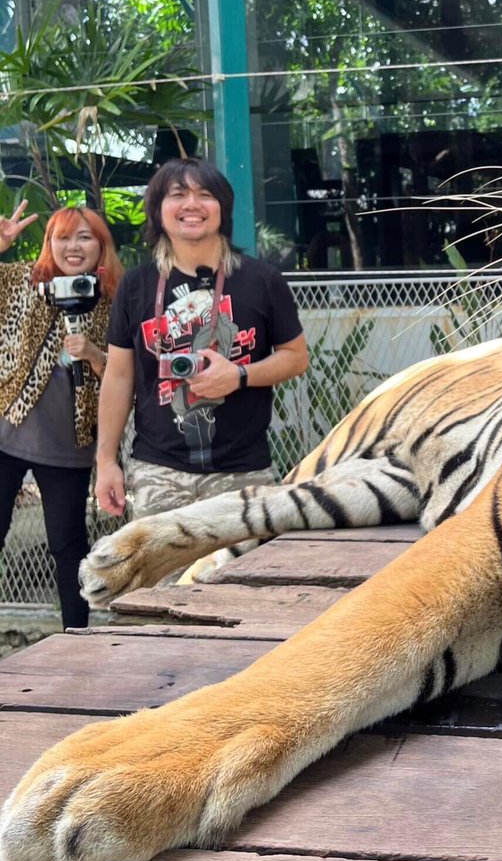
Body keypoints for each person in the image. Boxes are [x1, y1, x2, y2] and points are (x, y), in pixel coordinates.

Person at [95, 158, 308, 523]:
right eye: (178, 195)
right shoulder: (137, 284)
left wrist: (239, 375)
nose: (192, 204)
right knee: (162, 581)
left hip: (243, 471)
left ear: (222, 209)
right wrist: (105, 462)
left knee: (240, 579)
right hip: (157, 470)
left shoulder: (262, 280)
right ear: (158, 211)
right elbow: (118, 376)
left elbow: (295, 356)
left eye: (205, 195)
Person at [0, 202, 124, 628]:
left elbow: (130, 375)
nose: (73, 246)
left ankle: (76, 639)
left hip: (70, 445)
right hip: (8, 433)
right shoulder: (22, 282)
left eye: (84, 237)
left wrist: (94, 355)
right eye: (63, 237)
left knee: (68, 545)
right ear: (49, 244)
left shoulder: (116, 299)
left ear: (101, 245)